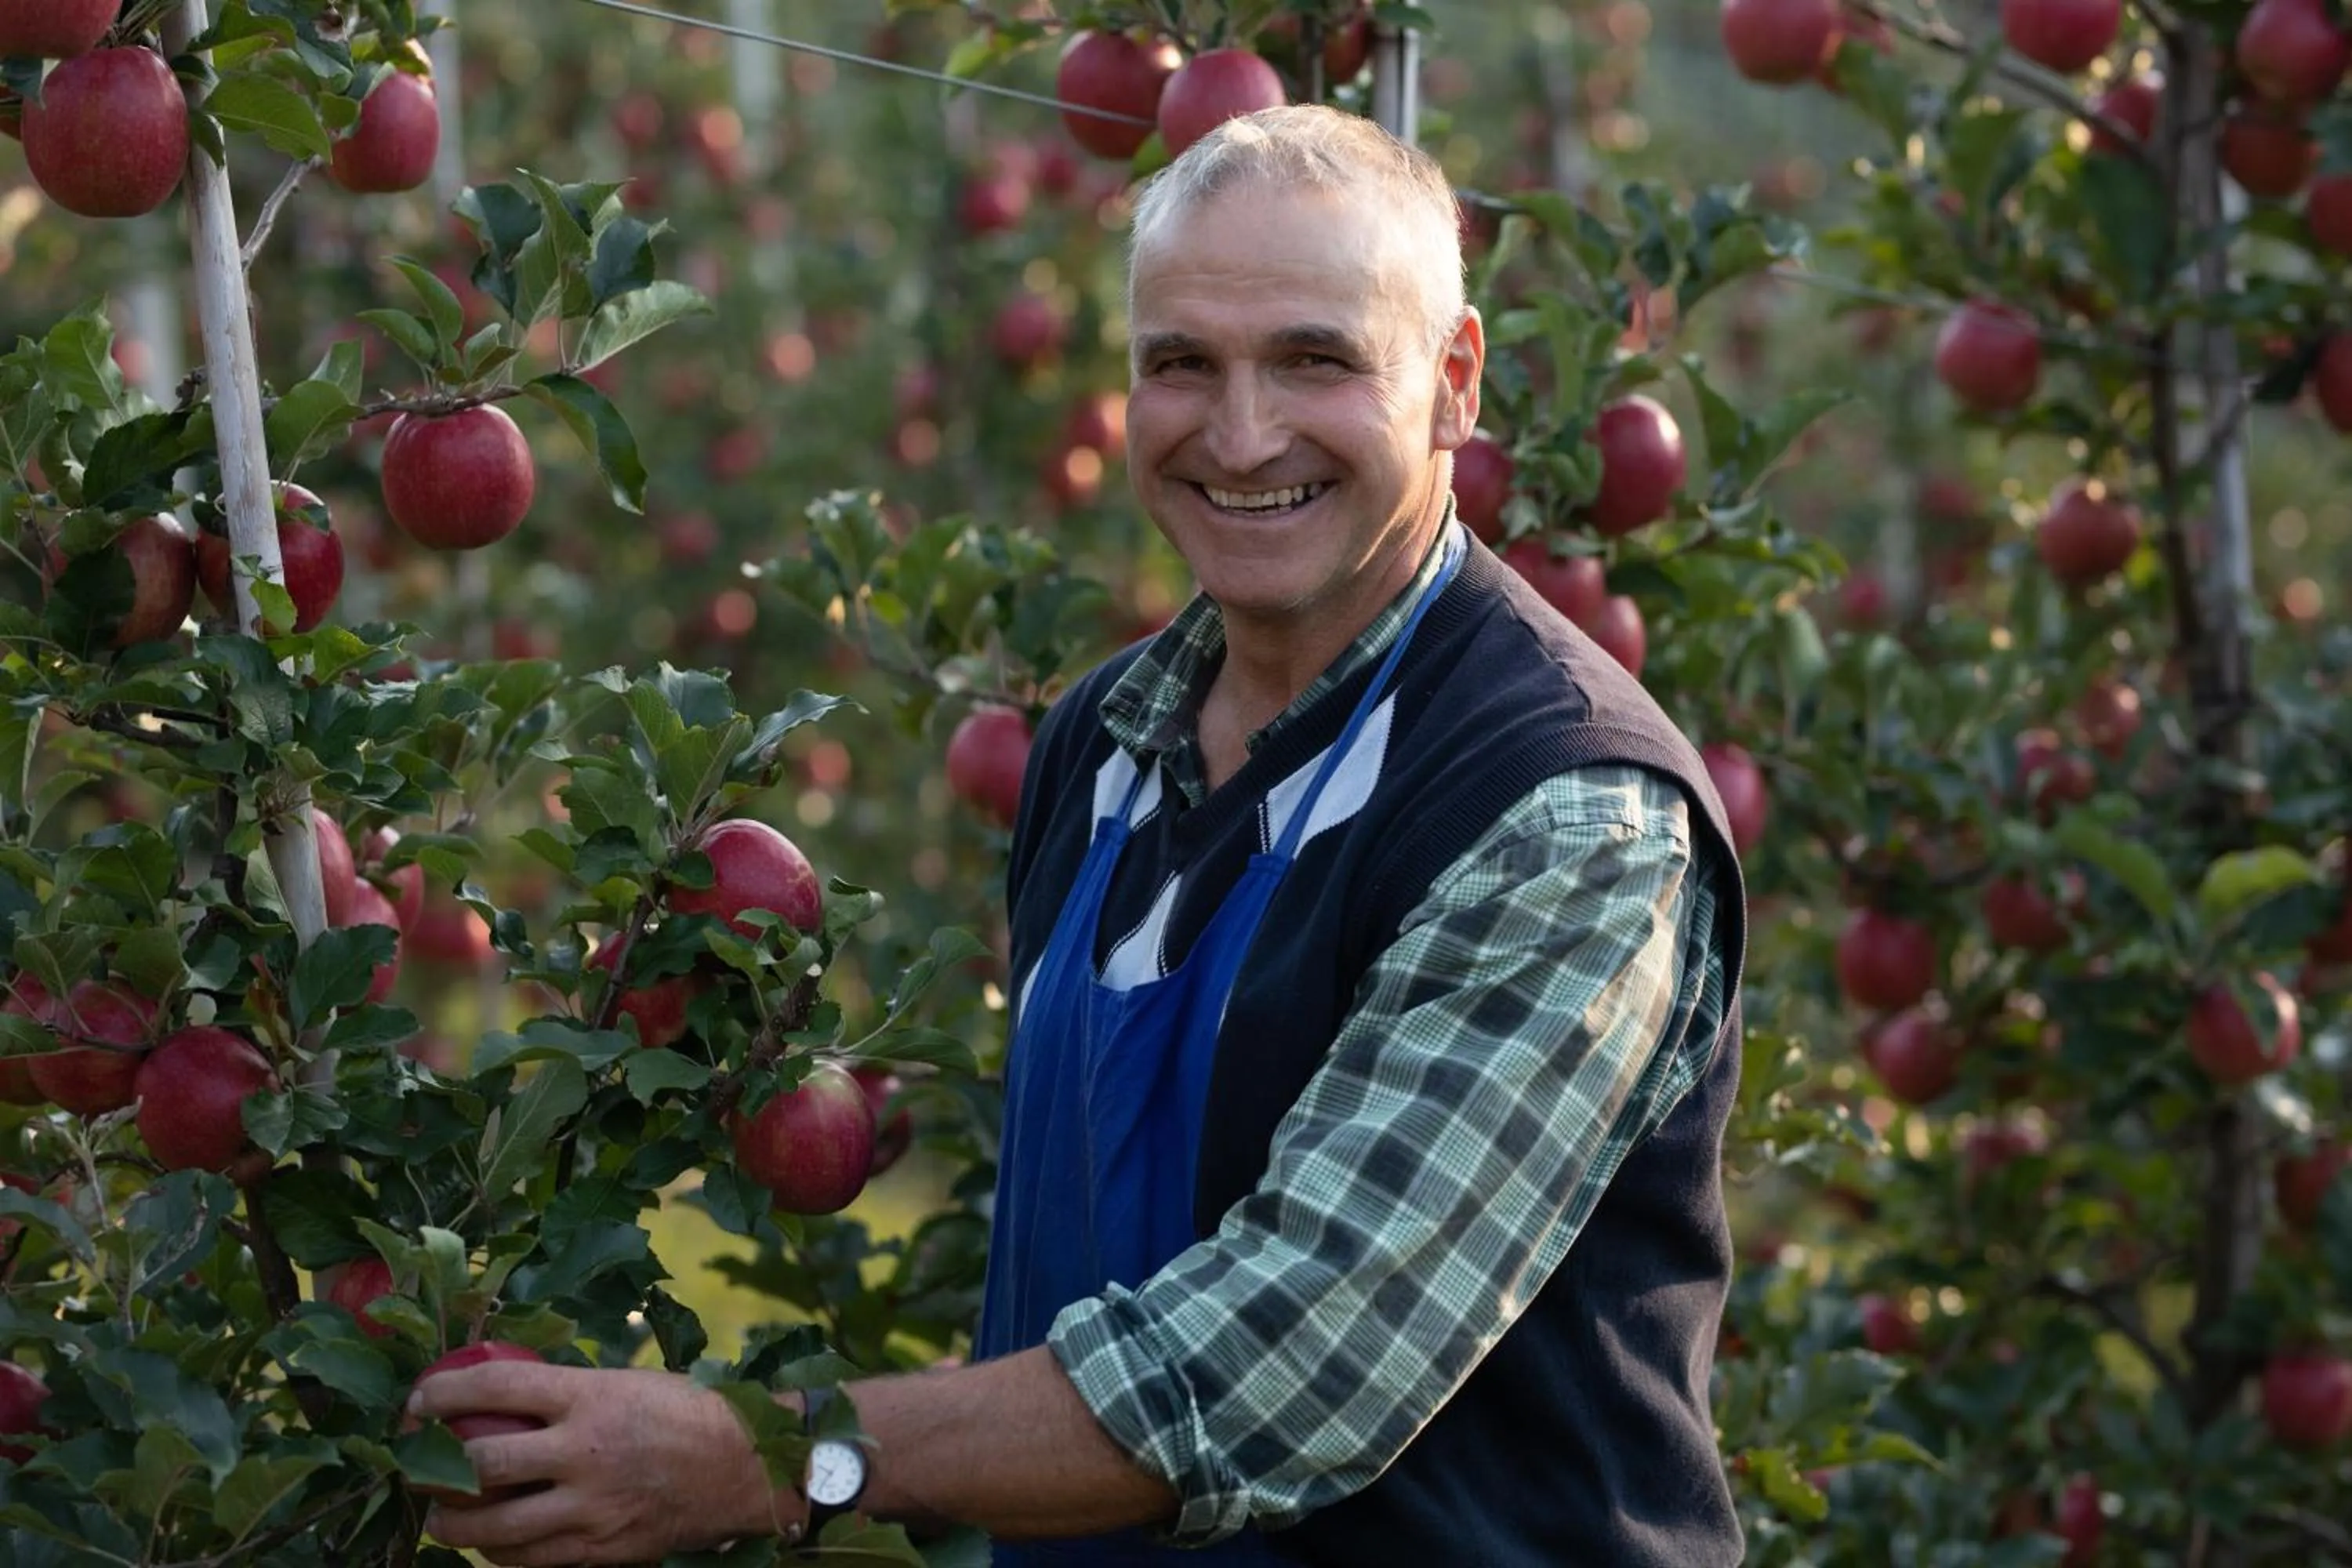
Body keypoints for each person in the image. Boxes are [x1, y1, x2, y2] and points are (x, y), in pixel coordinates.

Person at [410, 103, 1749, 1567]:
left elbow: (1278, 1373)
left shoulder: (1563, 811)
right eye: (1182, 365)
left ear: (1453, 381)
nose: (1241, 435)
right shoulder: (1103, 746)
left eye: (1316, 359)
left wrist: (764, 1461)